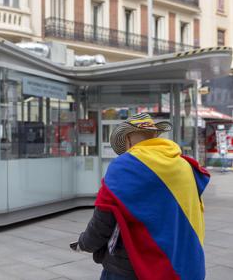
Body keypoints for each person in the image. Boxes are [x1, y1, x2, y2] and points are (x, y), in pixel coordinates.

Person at [75, 113, 210, 280]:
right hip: (178, 262)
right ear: (154, 136)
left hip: (129, 266)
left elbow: (103, 220)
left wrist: (84, 243)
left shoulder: (124, 166)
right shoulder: (184, 165)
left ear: (129, 139)